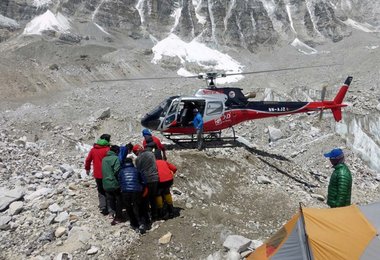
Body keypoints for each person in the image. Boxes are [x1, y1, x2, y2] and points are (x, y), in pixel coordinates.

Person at [118, 158, 148, 234]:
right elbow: (144, 181)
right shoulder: (137, 170)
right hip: (136, 191)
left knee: (128, 208)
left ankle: (134, 224)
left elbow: (120, 182)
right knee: (138, 206)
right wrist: (142, 188)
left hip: (125, 191)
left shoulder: (121, 171)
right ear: (132, 163)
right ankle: (141, 223)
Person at [84, 134, 111, 215]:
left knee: (100, 190)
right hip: (107, 173)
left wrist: (87, 169)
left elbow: (88, 160)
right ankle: (110, 208)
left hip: (98, 174)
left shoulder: (93, 150)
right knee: (108, 190)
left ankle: (103, 207)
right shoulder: (108, 149)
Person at [135, 144, 160, 221]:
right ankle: (155, 215)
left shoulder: (138, 159)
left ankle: (147, 217)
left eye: (135, 152)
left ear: (137, 151)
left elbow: (138, 170)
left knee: (145, 198)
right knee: (153, 197)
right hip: (155, 178)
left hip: (146, 180)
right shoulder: (151, 154)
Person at [102, 145, 123, 225]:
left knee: (111, 199)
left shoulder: (104, 159)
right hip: (114, 182)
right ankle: (119, 216)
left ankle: (112, 214)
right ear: (117, 151)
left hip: (105, 183)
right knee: (119, 199)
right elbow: (117, 170)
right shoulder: (115, 158)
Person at [155, 154, 177, 219]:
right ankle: (171, 211)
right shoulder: (165, 162)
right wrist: (171, 173)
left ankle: (160, 212)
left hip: (160, 181)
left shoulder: (154, 163)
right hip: (169, 180)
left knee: (158, 194)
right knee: (167, 192)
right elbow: (174, 168)